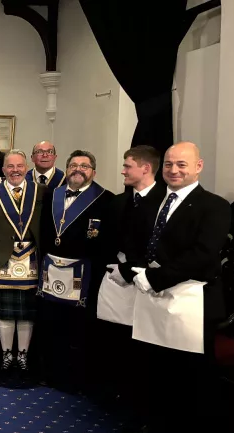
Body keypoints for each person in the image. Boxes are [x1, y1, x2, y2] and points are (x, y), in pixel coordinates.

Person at [123, 142, 229, 433]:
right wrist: (136, 271)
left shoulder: (214, 205)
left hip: (191, 299)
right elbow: (135, 241)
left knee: (190, 371)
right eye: (169, 164)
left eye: (182, 164)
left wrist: (155, 277)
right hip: (150, 293)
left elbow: (203, 254)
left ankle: (191, 429)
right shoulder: (152, 201)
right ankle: (152, 421)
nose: (174, 170)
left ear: (198, 166)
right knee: (152, 364)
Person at [38, 150, 114, 389]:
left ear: (93, 171)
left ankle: (75, 378)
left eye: (84, 166)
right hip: (51, 270)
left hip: (83, 274)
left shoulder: (105, 199)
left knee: (78, 327)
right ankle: (50, 372)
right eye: (73, 165)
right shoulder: (52, 194)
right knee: (51, 324)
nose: (78, 169)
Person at [96, 145, 165, 405]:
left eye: (127, 166)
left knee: (144, 344)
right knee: (116, 337)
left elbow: (161, 245)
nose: (122, 170)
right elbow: (106, 241)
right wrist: (115, 266)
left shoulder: (164, 201)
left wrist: (131, 269)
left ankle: (140, 398)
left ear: (145, 168)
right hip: (116, 276)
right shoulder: (119, 201)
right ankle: (118, 389)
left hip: (150, 280)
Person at [0, 150, 43, 371]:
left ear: (26, 167)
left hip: (32, 261)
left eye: (20, 166)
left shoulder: (40, 192)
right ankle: (6, 353)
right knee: (4, 313)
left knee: (27, 313)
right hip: (1, 261)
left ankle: (23, 354)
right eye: (10, 166)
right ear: (3, 169)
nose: (15, 170)